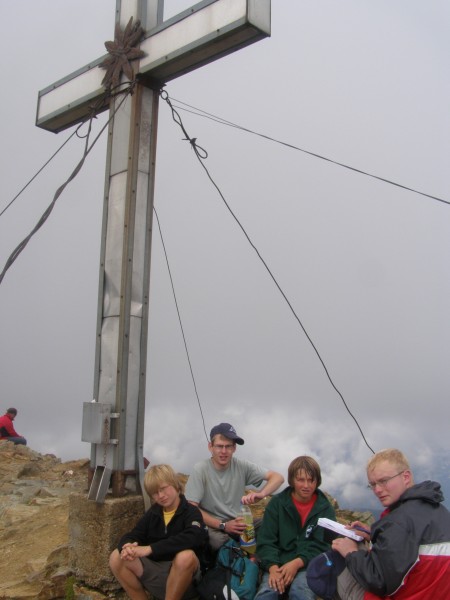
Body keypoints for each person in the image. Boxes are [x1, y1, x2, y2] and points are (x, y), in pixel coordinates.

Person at [331, 448, 450, 600]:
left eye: (383, 481)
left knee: (333, 570)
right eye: (372, 484)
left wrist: (351, 552)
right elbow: (409, 543)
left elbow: (380, 582)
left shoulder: (399, 521)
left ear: (406, 477)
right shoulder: (439, 510)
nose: (377, 490)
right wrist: (374, 534)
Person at [109, 464, 208, 600]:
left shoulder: (191, 512)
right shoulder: (154, 513)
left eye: (163, 489)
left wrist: (150, 549)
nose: (161, 496)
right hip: (158, 574)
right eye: (155, 493)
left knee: (186, 557)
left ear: (175, 485)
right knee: (117, 556)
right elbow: (133, 534)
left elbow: (193, 537)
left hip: (187, 580)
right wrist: (127, 546)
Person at [185, 422, 284, 550]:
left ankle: (254, 558)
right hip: (214, 525)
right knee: (217, 541)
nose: (224, 451)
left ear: (234, 448)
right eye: (219, 446)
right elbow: (191, 508)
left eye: (228, 446)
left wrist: (261, 493)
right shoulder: (200, 469)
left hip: (240, 522)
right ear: (210, 447)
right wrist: (223, 525)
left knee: (273, 523)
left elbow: (278, 478)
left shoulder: (241, 466)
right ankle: (241, 557)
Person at [255, 455, 336, 600]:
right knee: (266, 594)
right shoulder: (277, 504)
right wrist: (272, 567)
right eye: (301, 480)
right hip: (278, 563)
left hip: (308, 566)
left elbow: (324, 545)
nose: (306, 485)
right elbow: (266, 541)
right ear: (292, 480)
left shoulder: (325, 509)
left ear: (317, 481)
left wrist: (298, 562)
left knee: (300, 594)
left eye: (311, 480)